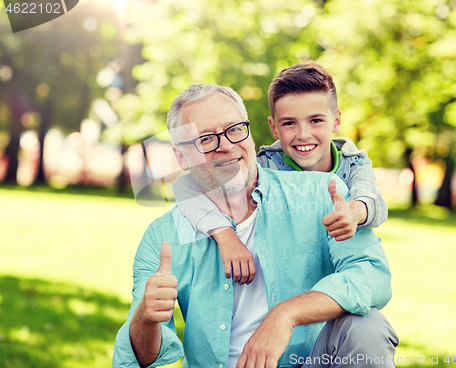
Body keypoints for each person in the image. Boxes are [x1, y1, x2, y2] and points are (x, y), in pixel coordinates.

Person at [113, 83, 398, 368]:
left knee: (367, 325)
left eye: (234, 129)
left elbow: (372, 275)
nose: (225, 145)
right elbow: (139, 358)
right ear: (181, 157)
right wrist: (146, 320)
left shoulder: (322, 194)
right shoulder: (163, 235)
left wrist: (287, 314)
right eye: (205, 139)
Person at [172, 62, 387, 285]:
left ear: (336, 121)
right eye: (289, 123)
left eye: (315, 120)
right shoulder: (266, 164)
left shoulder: (353, 163)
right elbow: (185, 186)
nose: (303, 134)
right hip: (292, 281)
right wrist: (224, 235)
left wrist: (356, 211)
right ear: (274, 127)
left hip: (340, 277)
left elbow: (372, 199)